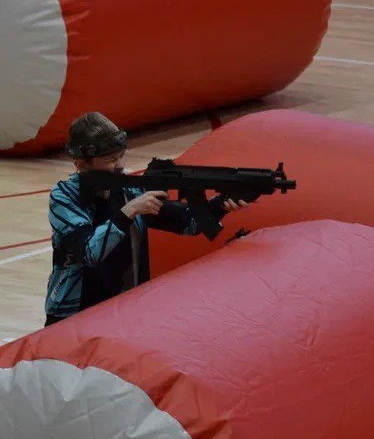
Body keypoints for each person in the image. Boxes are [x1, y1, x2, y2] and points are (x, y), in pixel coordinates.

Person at [43, 112, 247, 325]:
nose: (120, 165)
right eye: (110, 160)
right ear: (81, 164)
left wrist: (220, 204)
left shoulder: (129, 190)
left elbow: (189, 224)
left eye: (122, 155)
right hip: (73, 314)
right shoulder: (64, 197)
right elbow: (88, 253)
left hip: (123, 309)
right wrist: (129, 211)